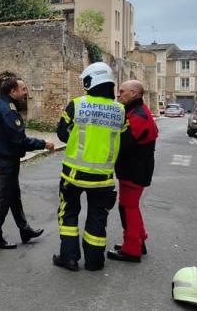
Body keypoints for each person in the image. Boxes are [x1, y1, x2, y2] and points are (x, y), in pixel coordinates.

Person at [53, 62, 127, 271]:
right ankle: (94, 261)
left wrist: (77, 141)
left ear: (90, 81)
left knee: (68, 214)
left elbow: (61, 133)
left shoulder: (77, 105)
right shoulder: (120, 111)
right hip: (103, 178)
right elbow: (126, 138)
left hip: (73, 175)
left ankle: (69, 258)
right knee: (98, 217)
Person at [0, 71, 55, 249]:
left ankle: (24, 230)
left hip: (3, 157)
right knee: (4, 199)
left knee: (13, 196)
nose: (26, 92)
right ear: (12, 92)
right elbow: (20, 140)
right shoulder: (8, 112)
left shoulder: (2, 105)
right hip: (7, 159)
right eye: (23, 89)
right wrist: (43, 143)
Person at [107, 80, 158, 262]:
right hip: (135, 168)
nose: (118, 94)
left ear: (134, 93)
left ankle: (131, 249)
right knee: (130, 206)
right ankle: (138, 239)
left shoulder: (138, 116)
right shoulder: (136, 112)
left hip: (134, 170)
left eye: (122, 91)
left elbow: (122, 143)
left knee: (127, 208)